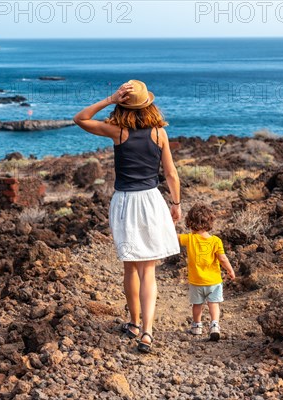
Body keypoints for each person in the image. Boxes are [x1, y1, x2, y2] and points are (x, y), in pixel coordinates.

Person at [73, 80, 182, 353]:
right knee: (149, 271)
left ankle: (134, 323)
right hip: (152, 201)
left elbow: (80, 118)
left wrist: (109, 99)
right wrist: (176, 203)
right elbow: (170, 174)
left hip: (125, 203)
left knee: (130, 267)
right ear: (148, 105)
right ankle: (147, 332)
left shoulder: (118, 132)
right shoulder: (160, 134)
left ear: (123, 106)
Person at [178, 203, 236, 341]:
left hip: (196, 282)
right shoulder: (216, 241)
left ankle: (197, 326)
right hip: (214, 281)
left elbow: (174, 237)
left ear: (190, 222)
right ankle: (214, 325)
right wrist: (230, 270)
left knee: (197, 305)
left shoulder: (189, 238)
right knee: (213, 304)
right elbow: (222, 258)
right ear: (210, 222)